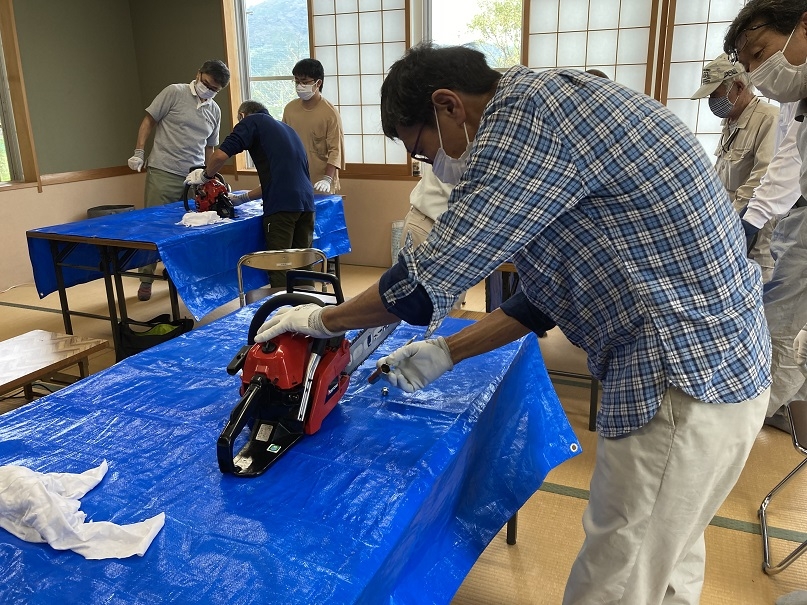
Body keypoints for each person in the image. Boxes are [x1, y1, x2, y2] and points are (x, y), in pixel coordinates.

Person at [253, 43, 771, 604]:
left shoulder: (523, 123)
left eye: (422, 150)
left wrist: (320, 319)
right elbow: (542, 299)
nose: (429, 165)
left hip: (680, 378)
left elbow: (421, 287)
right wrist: (449, 352)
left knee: (617, 578)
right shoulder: (553, 101)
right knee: (664, 563)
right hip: (724, 368)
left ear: (448, 105)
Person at [724, 0, 807, 435]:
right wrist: (748, 219)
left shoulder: (767, 114)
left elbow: (764, 172)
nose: (758, 72)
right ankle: (784, 413)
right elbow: (788, 161)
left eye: (760, 54)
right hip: (785, 217)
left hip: (787, 221)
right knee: (783, 325)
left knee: (782, 330)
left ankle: (745, 423)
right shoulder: (796, 99)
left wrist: (750, 218)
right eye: (749, 63)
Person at [128, 59, 230, 301]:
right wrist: (139, 152)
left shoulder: (214, 110)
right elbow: (148, 121)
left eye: (214, 89)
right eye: (206, 84)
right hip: (163, 171)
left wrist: (207, 176)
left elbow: (210, 147)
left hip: (193, 179)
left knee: (192, 229)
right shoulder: (174, 92)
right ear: (198, 74)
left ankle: (184, 280)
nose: (208, 90)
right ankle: (146, 280)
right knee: (154, 227)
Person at [185, 100, 314, 288]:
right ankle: (308, 304)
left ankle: (282, 304)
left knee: (279, 265)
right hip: (307, 205)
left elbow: (219, 156)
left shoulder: (251, 122)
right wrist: (241, 198)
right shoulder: (287, 130)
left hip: (282, 207)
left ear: (242, 115)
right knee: (302, 263)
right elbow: (281, 181)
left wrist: (205, 176)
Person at [691, 54, 778, 281]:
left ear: (739, 86)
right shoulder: (730, 121)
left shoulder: (768, 118)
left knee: (758, 282)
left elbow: (764, 175)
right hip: (727, 222)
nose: (712, 101)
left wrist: (734, 219)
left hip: (753, 225)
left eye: (715, 94)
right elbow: (722, 173)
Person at [399, 163, 466, 308]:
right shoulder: (462, 153)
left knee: (450, 304)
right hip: (429, 224)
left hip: (455, 231)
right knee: (418, 304)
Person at [282, 59, 345, 194]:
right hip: (294, 179)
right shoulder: (290, 109)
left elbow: (336, 150)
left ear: (318, 83)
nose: (300, 86)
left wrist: (327, 179)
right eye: (297, 81)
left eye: (305, 82)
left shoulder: (330, 113)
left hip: (320, 183)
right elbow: (283, 143)